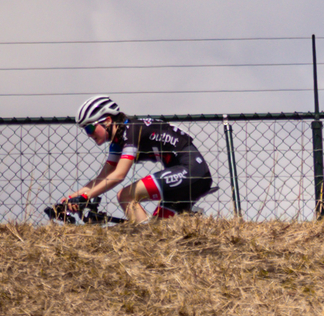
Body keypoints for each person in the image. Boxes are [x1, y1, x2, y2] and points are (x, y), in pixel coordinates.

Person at [56, 95, 214, 223]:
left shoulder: (131, 130)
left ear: (108, 121)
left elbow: (118, 175)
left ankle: (144, 237)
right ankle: (195, 222)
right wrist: (71, 198)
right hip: (187, 174)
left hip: (192, 171)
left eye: (90, 127)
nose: (89, 134)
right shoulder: (118, 140)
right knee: (159, 232)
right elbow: (103, 177)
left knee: (125, 196)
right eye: (85, 130)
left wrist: (84, 197)